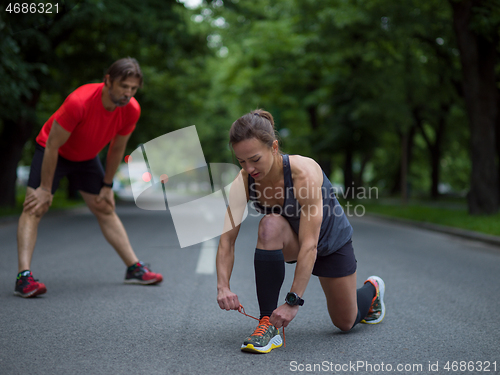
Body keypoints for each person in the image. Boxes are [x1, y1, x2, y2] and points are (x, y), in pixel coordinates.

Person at [216, 109, 385, 353]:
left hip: (328, 242)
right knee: (269, 225)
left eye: (255, 159)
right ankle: (267, 325)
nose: (249, 168)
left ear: (274, 147)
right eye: (241, 161)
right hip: (290, 239)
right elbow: (227, 240)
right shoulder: (243, 182)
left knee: (345, 322)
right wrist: (223, 286)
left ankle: (373, 290)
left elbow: (310, 245)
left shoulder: (303, 173)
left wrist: (292, 302)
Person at [14, 57, 163, 298]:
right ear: (108, 81)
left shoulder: (131, 110)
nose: (128, 94)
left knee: (104, 207)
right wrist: (44, 187)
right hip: (54, 151)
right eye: (123, 86)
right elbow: (52, 145)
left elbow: (116, 149)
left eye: (133, 89)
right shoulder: (80, 101)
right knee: (35, 206)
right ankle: (24, 278)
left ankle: (134, 269)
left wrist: (107, 185)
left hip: (86, 157)